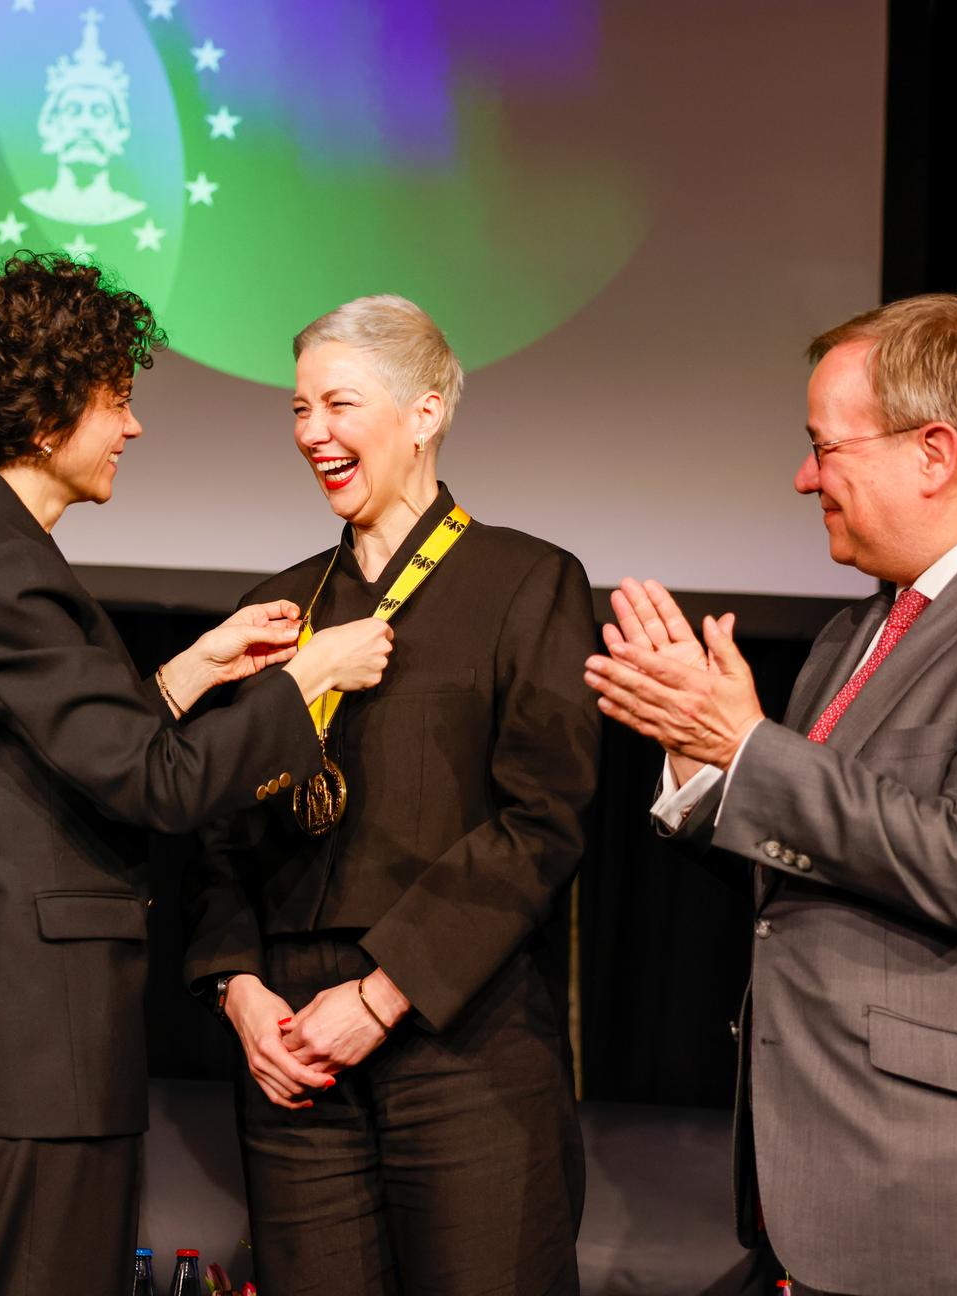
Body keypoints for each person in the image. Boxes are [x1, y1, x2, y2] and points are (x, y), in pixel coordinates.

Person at [0, 253, 393, 1296]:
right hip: (29, 1064)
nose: (132, 427)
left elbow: (63, 751)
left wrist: (195, 667)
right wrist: (309, 678)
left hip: (11, 1058)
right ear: (45, 416)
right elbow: (155, 785)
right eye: (116, 400)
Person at [584, 294, 957, 1295]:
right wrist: (703, 768)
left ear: (935, 451)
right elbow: (799, 859)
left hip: (941, 1187)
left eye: (823, 448)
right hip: (815, 1171)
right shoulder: (854, 633)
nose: (804, 478)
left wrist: (746, 747)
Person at [183, 294, 600, 1295]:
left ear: (425, 413)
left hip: (464, 1038)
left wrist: (382, 994)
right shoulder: (273, 609)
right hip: (293, 1053)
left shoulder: (527, 583)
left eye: (338, 404)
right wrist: (240, 994)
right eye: (297, 409)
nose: (312, 433)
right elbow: (216, 833)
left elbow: (542, 823)